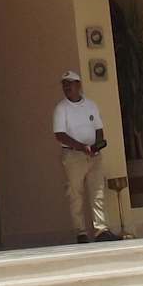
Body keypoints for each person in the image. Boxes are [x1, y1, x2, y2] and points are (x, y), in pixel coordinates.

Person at [53, 70, 118, 243]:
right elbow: (60, 135)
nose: (67, 87)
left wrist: (97, 145)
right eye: (64, 84)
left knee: (97, 191)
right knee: (76, 193)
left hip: (94, 155)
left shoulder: (91, 105)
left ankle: (101, 230)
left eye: (70, 83)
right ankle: (80, 232)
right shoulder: (61, 108)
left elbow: (98, 128)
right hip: (73, 155)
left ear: (78, 85)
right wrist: (82, 148)